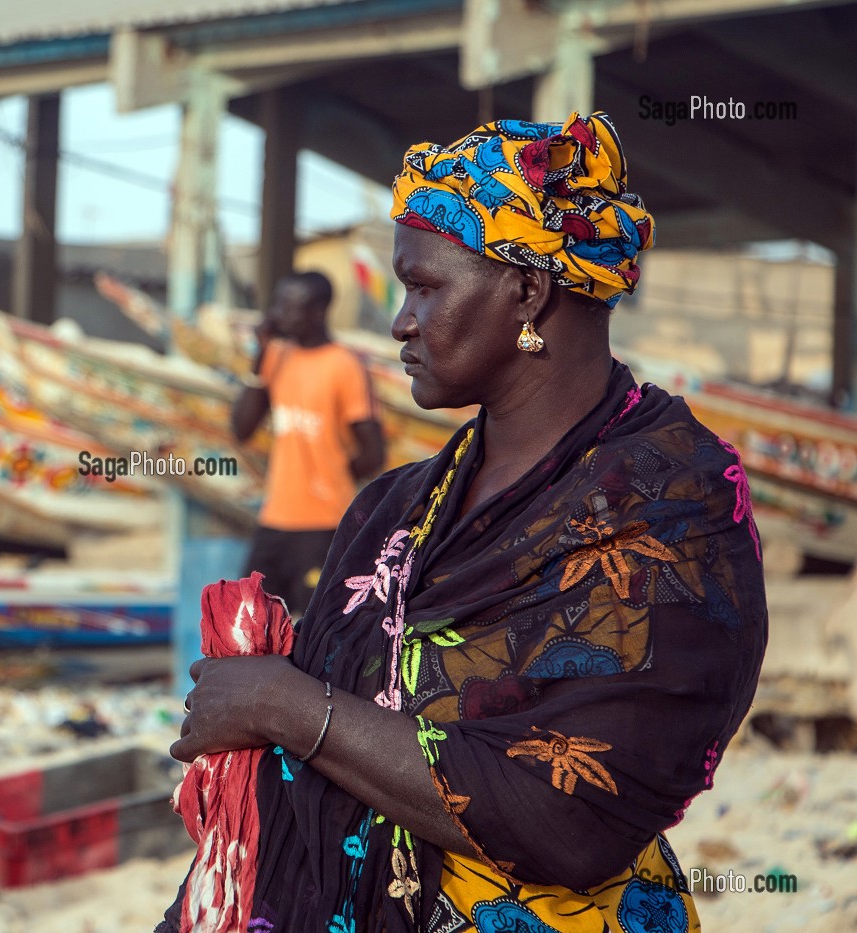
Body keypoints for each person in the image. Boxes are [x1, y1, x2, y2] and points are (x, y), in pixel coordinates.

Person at [165, 112, 767, 932]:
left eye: (425, 286)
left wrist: (286, 704)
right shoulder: (394, 509)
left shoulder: (675, 507)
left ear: (527, 289)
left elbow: (574, 818)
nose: (400, 322)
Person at [231, 271, 384, 617]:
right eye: (278, 305)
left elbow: (373, 452)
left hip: (324, 526)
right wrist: (260, 355)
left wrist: (332, 472)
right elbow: (241, 429)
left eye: (290, 307)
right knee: (251, 624)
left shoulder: (343, 366)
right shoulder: (276, 357)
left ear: (318, 311)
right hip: (275, 521)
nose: (278, 315)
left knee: (313, 629)